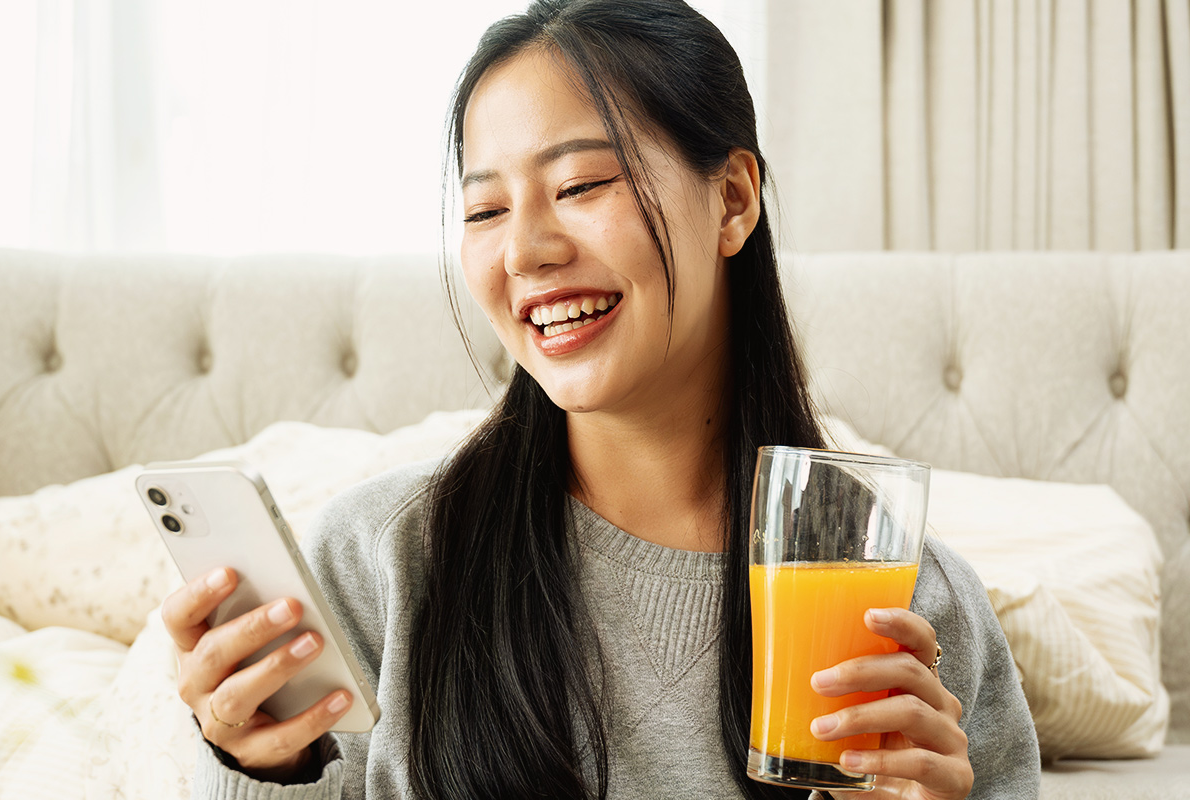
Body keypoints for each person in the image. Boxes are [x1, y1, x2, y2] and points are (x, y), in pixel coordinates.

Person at [162, 1, 1041, 798]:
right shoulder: (379, 559)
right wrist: (259, 763)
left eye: (580, 186)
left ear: (732, 200)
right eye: (484, 211)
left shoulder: (912, 604)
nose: (525, 251)